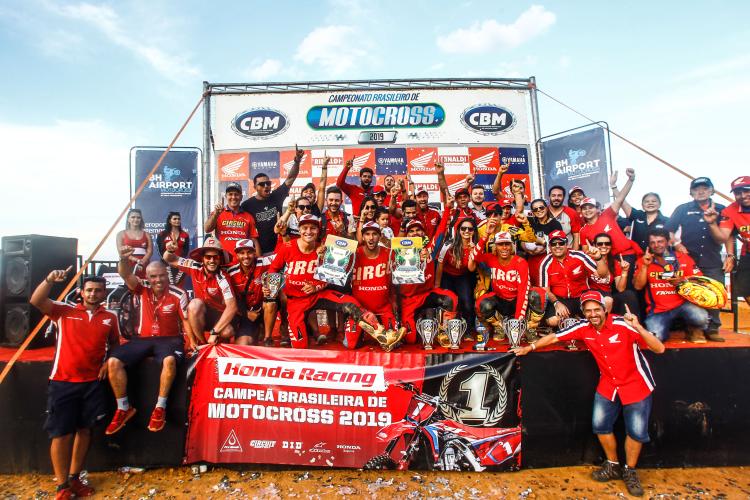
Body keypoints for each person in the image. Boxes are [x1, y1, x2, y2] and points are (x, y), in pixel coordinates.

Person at [513, 290, 665, 497]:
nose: (593, 314)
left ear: (604, 309)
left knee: (636, 432)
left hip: (636, 385)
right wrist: (529, 348)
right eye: (588, 311)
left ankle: (629, 471)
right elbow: (554, 337)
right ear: (584, 313)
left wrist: (638, 327)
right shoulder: (583, 327)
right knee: (601, 426)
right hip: (608, 385)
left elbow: (659, 349)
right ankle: (612, 464)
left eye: (596, 310)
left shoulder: (624, 324)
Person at [30, 270, 120, 499]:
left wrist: (108, 362)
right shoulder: (64, 311)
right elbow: (36, 300)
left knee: (85, 431)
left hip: (92, 383)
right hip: (63, 381)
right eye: (89, 290)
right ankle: (62, 486)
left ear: (104, 293)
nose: (93, 294)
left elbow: (115, 345)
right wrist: (49, 280)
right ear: (81, 292)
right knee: (61, 434)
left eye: (98, 290)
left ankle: (74, 478)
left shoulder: (110, 317)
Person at [266, 214, 388, 349]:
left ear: (318, 230)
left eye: (313, 228)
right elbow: (273, 269)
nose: (308, 231)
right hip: (296, 300)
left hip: (318, 295)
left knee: (352, 304)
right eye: (305, 228)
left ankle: (382, 333)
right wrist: (270, 287)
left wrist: (316, 286)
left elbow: (331, 277)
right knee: (299, 347)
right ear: (299, 230)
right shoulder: (287, 247)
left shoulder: (325, 249)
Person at [105, 252, 189, 435]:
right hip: (143, 339)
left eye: (161, 275)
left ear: (167, 275)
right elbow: (125, 273)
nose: (158, 280)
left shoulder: (178, 293)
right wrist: (123, 260)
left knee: (169, 361)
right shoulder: (141, 288)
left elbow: (186, 321)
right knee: (113, 362)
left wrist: (192, 344)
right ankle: (123, 407)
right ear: (147, 277)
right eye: (153, 276)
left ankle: (160, 407)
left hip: (169, 339)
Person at [664, 177, 733, 337]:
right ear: (691, 192)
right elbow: (668, 231)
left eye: (704, 188)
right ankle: (694, 328)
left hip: (712, 259)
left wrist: (730, 255)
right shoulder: (682, 209)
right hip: (689, 259)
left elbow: (729, 235)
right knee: (690, 293)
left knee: (715, 292)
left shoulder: (722, 209)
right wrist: (677, 244)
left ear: (712, 191)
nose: (700, 192)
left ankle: (713, 329)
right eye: (696, 189)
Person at [633, 229, 713, 343]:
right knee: (656, 338)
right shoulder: (643, 261)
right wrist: (645, 266)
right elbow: (638, 286)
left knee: (701, 318)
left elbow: (700, 281)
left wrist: (683, 282)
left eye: (660, 241)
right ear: (649, 245)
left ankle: (693, 329)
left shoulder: (683, 258)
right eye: (652, 242)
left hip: (683, 304)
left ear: (668, 241)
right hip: (659, 309)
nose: (656, 245)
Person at [468, 229, 546, 344]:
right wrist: (485, 236)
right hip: (500, 300)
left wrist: (518, 320)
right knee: (482, 303)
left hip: (517, 299)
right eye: (500, 244)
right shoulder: (491, 258)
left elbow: (523, 292)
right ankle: (499, 327)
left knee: (537, 294)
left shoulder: (521, 262)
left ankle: (530, 329)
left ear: (512, 245)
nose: (504, 247)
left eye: (507, 244)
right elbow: (475, 256)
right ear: (495, 246)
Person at [398, 204, 459, 346]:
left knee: (451, 299)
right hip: (409, 300)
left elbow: (440, 232)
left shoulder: (430, 249)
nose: (415, 233)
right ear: (406, 235)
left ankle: (443, 331)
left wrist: (447, 209)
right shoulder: (399, 253)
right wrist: (416, 261)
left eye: (418, 230)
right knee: (411, 340)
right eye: (411, 231)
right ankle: (422, 318)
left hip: (427, 295)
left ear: (423, 233)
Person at [163, 236, 237, 345]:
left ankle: (218, 342)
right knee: (194, 305)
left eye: (215, 257)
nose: (212, 261)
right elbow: (170, 259)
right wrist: (170, 250)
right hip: (202, 313)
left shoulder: (223, 277)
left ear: (220, 258)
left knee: (227, 332)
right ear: (202, 258)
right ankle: (202, 343)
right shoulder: (194, 267)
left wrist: (214, 332)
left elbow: (232, 307)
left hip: (219, 315)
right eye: (208, 257)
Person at [240, 146, 303, 258]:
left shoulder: (276, 196)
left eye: (268, 183)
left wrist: (297, 161)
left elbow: (290, 179)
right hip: (261, 252)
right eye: (261, 184)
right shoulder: (247, 205)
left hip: (281, 247)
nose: (266, 186)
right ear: (255, 187)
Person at [539, 230, 609, 327]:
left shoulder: (579, 256)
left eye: (561, 243)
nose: (557, 246)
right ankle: (577, 321)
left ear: (567, 244)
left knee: (605, 303)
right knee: (553, 321)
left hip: (582, 296)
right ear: (549, 246)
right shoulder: (545, 263)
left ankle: (581, 323)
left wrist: (598, 258)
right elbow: (545, 290)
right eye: (553, 244)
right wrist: (556, 303)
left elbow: (602, 275)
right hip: (560, 299)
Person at [352, 221, 400, 333]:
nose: (371, 238)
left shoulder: (389, 253)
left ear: (380, 236)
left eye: (374, 234)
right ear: (363, 237)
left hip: (384, 307)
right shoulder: (353, 254)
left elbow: (396, 279)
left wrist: (394, 300)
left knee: (394, 339)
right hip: (360, 309)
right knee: (352, 341)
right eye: (367, 234)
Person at [436, 217, 479, 331]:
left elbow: (471, 269)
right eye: (463, 228)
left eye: (470, 229)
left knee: (467, 302)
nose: (466, 231)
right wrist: (437, 285)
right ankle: (446, 330)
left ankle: (468, 330)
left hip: (463, 276)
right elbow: (440, 264)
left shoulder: (476, 246)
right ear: (459, 230)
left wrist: (473, 252)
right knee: (449, 302)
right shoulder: (449, 245)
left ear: (474, 231)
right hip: (446, 275)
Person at [716, 176, 750, 306]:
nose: (743, 195)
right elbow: (726, 235)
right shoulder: (729, 211)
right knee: (744, 288)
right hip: (748, 252)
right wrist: (730, 255)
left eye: (747, 190)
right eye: (738, 193)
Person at [204, 182, 260, 262]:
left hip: (242, 262)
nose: (233, 197)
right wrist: (216, 215)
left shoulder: (248, 217)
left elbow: (254, 240)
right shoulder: (217, 213)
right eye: (230, 194)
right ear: (226, 196)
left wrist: (259, 260)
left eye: (236, 194)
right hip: (222, 261)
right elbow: (207, 229)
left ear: (241, 197)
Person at [588, 233, 640, 315]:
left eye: (607, 243)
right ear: (594, 245)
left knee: (629, 295)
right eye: (600, 244)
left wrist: (624, 271)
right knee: (606, 300)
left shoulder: (615, 263)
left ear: (611, 246)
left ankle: (631, 322)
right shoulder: (587, 259)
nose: (604, 246)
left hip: (608, 296)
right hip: (590, 295)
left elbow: (620, 289)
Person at [226, 239, 267, 345]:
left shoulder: (264, 262)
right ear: (237, 255)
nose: (246, 256)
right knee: (243, 343)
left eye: (249, 252)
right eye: (242, 253)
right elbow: (231, 299)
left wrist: (284, 235)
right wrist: (246, 313)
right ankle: (257, 329)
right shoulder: (230, 272)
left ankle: (270, 336)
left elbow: (284, 255)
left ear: (255, 253)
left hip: (264, 308)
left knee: (277, 298)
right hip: (246, 313)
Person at [526, 198, 563, 285]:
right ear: (533, 212)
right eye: (535, 209)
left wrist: (544, 244)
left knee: (549, 286)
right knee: (535, 288)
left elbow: (560, 244)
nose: (539, 210)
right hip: (533, 262)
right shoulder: (531, 224)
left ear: (546, 208)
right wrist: (527, 249)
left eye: (541, 207)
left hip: (550, 261)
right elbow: (523, 240)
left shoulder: (555, 224)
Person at [156, 211, 190, 287]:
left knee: (179, 285)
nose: (177, 220)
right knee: (167, 285)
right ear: (169, 221)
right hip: (165, 264)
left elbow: (186, 250)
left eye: (179, 219)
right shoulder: (162, 234)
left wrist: (179, 261)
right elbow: (159, 250)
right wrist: (167, 261)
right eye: (174, 219)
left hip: (179, 264)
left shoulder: (185, 235)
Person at [116, 208, 153, 277]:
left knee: (144, 282)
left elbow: (150, 251)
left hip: (144, 264)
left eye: (138, 217)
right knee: (129, 282)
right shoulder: (120, 234)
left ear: (141, 219)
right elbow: (121, 252)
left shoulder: (147, 234)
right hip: (127, 264)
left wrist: (142, 262)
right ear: (128, 219)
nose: (136, 219)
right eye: (133, 217)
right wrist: (137, 260)